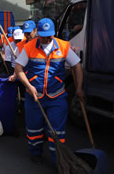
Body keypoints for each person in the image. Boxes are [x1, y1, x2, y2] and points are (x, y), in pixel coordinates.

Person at [14, 18, 83, 165]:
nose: (47, 39)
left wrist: (79, 88)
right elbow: (18, 68)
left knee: (57, 132)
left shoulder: (63, 46)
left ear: (54, 33)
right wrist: (29, 85)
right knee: (34, 129)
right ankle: (35, 152)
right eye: (44, 35)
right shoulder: (29, 47)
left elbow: (77, 66)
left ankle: (57, 159)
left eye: (50, 35)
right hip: (35, 96)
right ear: (38, 33)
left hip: (56, 96)